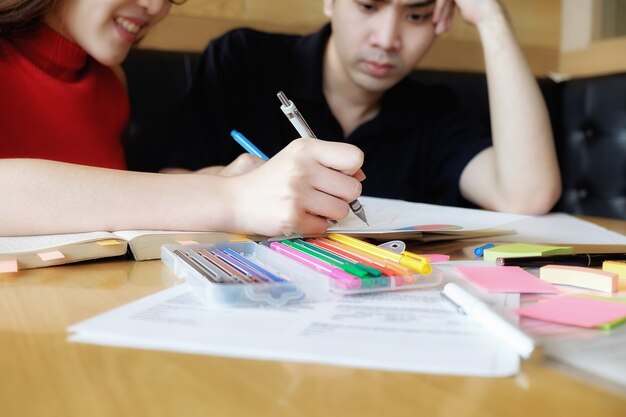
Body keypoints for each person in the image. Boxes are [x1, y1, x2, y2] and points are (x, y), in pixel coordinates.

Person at [0, 0, 365, 237]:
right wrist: (230, 198)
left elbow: (101, 205)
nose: (155, 6)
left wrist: (219, 181)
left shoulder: (109, 84)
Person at [165, 0, 561, 215]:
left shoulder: (433, 110)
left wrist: (490, 16)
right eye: (369, 6)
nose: (388, 38)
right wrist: (238, 186)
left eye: (417, 15)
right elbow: (171, 181)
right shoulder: (245, 60)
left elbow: (528, 196)